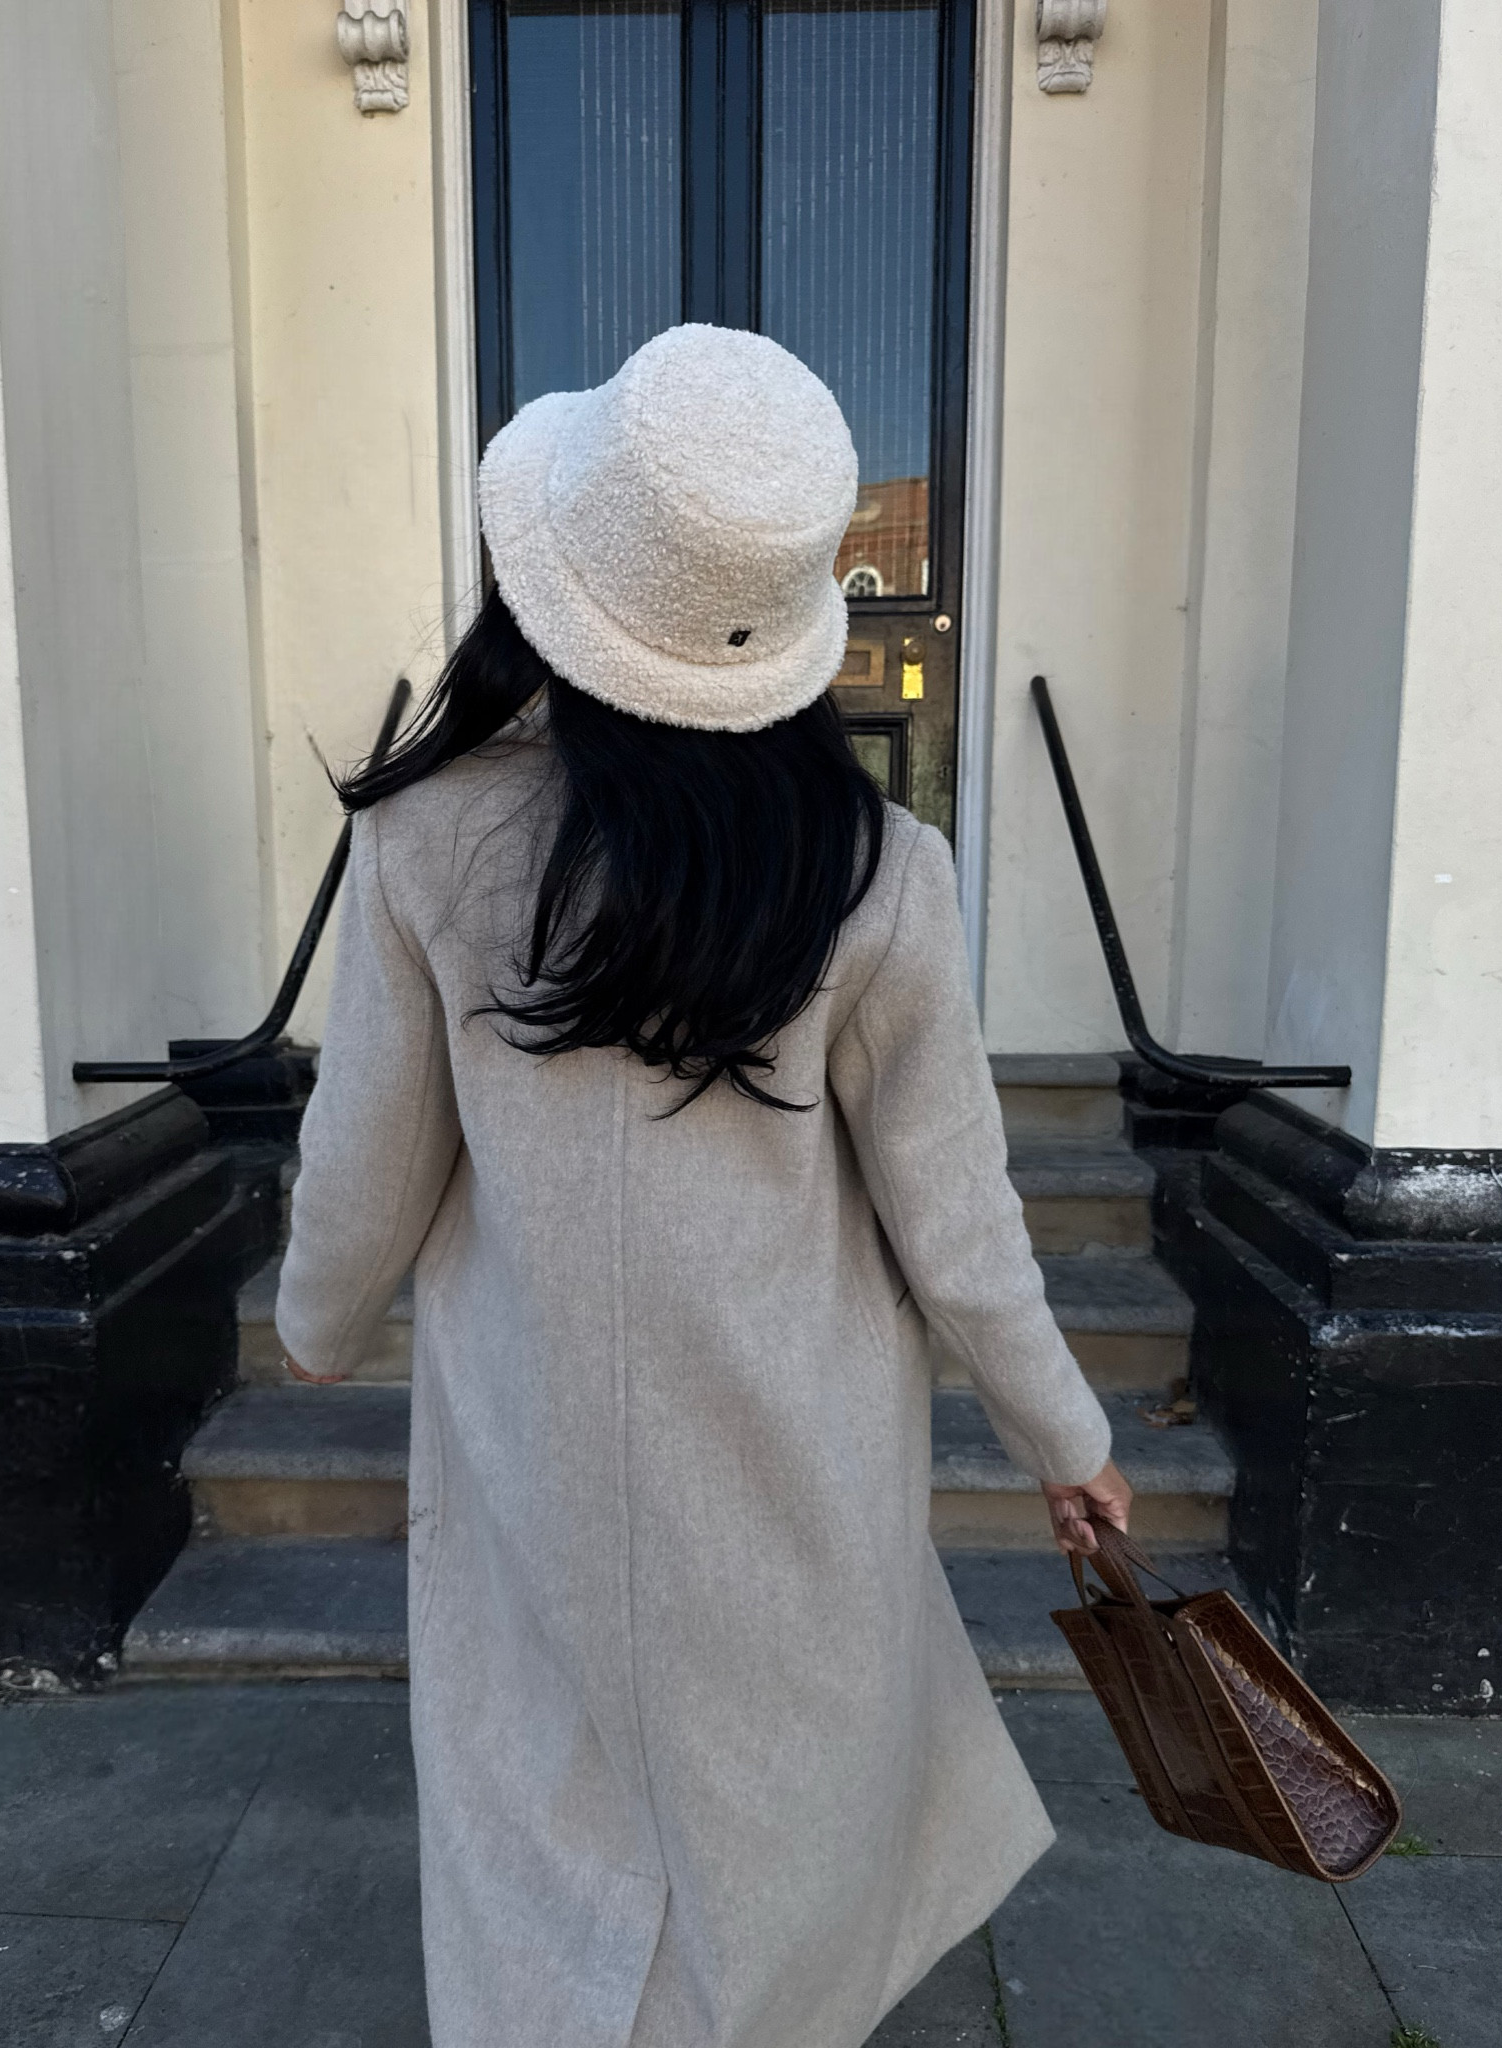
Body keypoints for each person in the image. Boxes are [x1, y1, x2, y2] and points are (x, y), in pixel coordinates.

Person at [275, 324, 1133, 2048]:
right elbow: (953, 1221)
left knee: (549, 1821)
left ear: (552, 587)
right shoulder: (879, 869)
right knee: (781, 1822)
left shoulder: (425, 838)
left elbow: (363, 1163)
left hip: (538, 1448)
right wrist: (1070, 1443)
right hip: (784, 1442)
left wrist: (314, 1321)